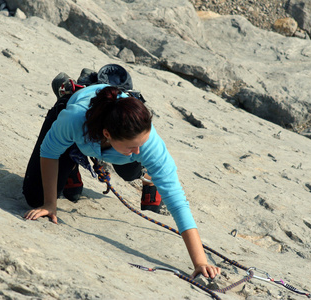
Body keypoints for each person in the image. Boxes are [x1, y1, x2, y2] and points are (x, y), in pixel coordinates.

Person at [22, 66, 221, 279]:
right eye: (133, 147)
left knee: (131, 170)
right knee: (35, 197)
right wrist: (50, 204)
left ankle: (147, 177)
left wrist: (200, 262)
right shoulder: (73, 120)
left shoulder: (146, 143)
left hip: (115, 129)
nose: (139, 151)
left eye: (141, 144)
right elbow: (49, 151)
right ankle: (76, 96)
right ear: (107, 134)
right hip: (83, 122)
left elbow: (176, 200)